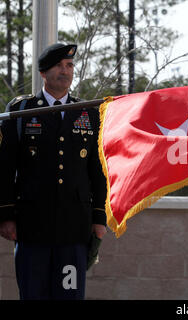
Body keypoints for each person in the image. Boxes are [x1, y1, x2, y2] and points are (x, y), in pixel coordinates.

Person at [0, 43, 107, 300]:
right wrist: (5, 215)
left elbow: (98, 169)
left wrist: (99, 217)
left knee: (69, 296)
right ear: (43, 73)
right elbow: (4, 167)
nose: (65, 70)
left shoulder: (90, 113)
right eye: (59, 65)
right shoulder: (22, 111)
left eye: (69, 66)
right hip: (32, 227)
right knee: (33, 295)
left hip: (74, 228)